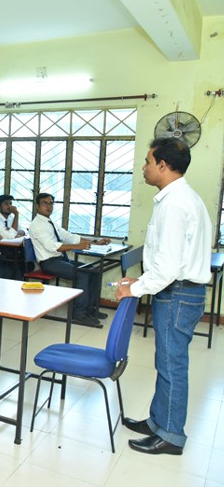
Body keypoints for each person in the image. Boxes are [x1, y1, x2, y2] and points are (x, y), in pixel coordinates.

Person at [116, 138, 211, 456]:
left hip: (178, 293)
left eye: (147, 161)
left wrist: (135, 288)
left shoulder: (174, 203)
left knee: (172, 366)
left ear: (163, 165)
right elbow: (167, 258)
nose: (143, 167)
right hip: (179, 291)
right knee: (166, 363)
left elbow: (169, 266)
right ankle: (159, 422)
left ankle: (170, 435)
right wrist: (141, 279)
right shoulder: (181, 197)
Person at [30, 193, 109, 326]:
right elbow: (51, 247)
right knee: (82, 274)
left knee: (93, 270)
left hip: (60, 260)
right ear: (37, 206)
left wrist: (95, 242)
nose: (48, 207)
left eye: (51, 203)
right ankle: (79, 314)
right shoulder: (37, 225)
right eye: (45, 203)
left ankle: (90, 309)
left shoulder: (50, 222)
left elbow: (68, 236)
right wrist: (77, 246)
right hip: (49, 262)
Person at [0, 194, 26, 280]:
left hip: (13, 252)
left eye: (10, 203)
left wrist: (18, 232)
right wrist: (17, 214)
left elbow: (25, 230)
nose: (9, 206)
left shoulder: (11, 217)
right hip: (0, 252)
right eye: (6, 204)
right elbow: (10, 236)